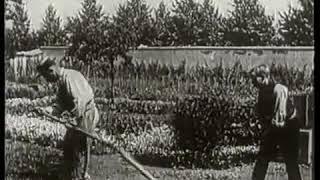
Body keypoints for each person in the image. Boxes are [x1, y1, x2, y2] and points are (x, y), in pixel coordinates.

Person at [36, 57, 99, 180]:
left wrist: (74, 119)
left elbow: (80, 100)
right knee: (69, 145)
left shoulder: (70, 77)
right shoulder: (62, 81)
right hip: (78, 115)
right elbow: (59, 105)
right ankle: (71, 174)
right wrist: (45, 111)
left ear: (51, 70)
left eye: (46, 76)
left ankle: (82, 175)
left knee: (78, 144)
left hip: (86, 113)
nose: (47, 80)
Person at [249, 64, 302, 180]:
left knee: (291, 161)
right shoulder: (262, 91)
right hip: (274, 126)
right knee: (262, 159)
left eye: (254, 79)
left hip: (289, 127)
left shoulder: (279, 90)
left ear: (263, 77)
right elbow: (261, 112)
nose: (252, 82)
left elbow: (279, 120)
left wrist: (267, 132)